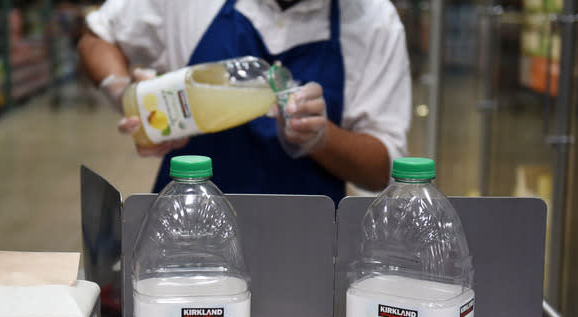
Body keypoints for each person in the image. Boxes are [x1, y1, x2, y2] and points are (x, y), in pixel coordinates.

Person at [78, 0, 411, 203]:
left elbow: (385, 169)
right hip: (183, 229)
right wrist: (126, 95)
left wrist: (322, 138)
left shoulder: (374, 22)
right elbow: (98, 38)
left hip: (305, 244)